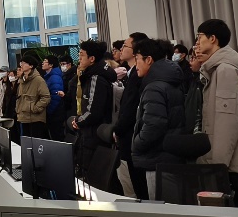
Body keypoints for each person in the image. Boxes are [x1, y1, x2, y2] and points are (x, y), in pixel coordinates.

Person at [193, 19, 238, 209]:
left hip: (231, 165)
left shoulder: (225, 71)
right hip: (228, 162)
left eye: (199, 37)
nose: (197, 43)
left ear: (212, 39)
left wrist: (217, 167)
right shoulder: (217, 69)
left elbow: (228, 124)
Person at [130, 38, 188, 196]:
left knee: (161, 205)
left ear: (148, 60)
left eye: (137, 59)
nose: (135, 65)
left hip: (157, 157)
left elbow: (154, 125)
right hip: (172, 154)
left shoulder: (154, 87)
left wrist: (136, 143)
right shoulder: (171, 80)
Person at [111, 32, 149, 199]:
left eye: (125, 46)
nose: (121, 49)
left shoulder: (137, 76)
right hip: (129, 134)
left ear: (135, 51)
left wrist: (118, 129)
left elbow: (131, 108)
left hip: (132, 135)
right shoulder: (131, 73)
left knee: (140, 186)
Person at [70, 40, 116, 170]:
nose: (79, 59)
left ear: (92, 59)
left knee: (92, 172)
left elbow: (93, 111)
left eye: (82, 55)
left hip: (93, 135)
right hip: (90, 133)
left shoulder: (96, 78)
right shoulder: (91, 75)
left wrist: (78, 121)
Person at [15, 54, 50, 140]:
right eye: (21, 63)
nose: (21, 65)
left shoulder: (38, 80)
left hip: (35, 119)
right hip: (23, 117)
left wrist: (35, 108)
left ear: (31, 66)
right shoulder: (21, 80)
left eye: (24, 63)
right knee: (26, 143)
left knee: (36, 143)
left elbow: (46, 97)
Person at [41, 55, 65, 141]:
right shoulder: (49, 76)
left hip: (55, 113)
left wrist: (49, 111)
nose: (42, 63)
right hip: (53, 112)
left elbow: (56, 97)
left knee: (56, 136)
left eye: (45, 61)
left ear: (51, 65)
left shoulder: (54, 77)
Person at [59, 55, 78, 140]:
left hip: (71, 107)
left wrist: (64, 96)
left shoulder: (72, 77)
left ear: (69, 64)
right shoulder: (65, 75)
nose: (62, 66)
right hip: (68, 106)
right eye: (61, 64)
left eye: (63, 64)